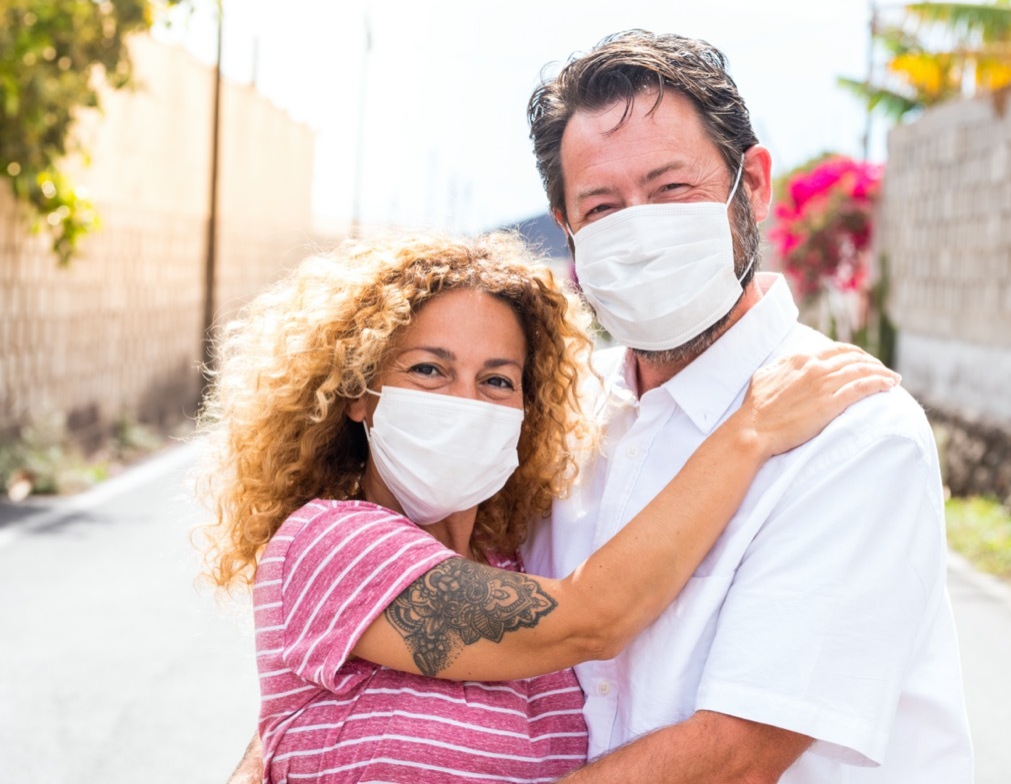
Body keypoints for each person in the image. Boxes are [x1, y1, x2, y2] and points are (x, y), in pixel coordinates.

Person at [200, 231, 897, 783]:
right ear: (358, 393)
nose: (465, 401)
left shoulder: (519, 558)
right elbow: (593, 618)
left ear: (526, 412)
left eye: (496, 379)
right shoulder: (330, 539)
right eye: (428, 369)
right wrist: (750, 430)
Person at [519, 30, 975, 782]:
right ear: (565, 227)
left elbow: (732, 755)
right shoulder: (560, 414)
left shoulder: (852, 432)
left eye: (672, 190)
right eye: (601, 207)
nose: (640, 229)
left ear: (753, 185)